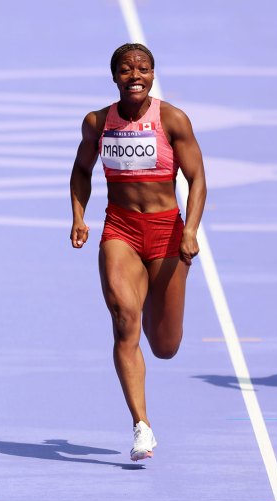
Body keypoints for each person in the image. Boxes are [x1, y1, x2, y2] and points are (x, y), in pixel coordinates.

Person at [69, 43, 207, 461]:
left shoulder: (172, 119)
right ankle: (141, 425)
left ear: (152, 75)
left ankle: (151, 305)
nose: (135, 75)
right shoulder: (97, 123)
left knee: (164, 345)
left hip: (167, 234)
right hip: (121, 231)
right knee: (124, 319)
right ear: (114, 77)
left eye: (143, 69)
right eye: (127, 69)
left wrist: (191, 231)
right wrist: (78, 216)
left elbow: (197, 177)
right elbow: (80, 170)